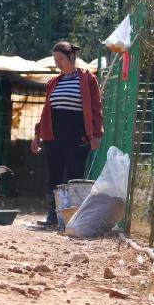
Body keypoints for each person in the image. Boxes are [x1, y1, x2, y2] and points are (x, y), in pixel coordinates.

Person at [33, 40, 103, 228]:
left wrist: (96, 134)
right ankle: (53, 216)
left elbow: (96, 108)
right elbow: (46, 111)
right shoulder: (53, 83)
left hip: (77, 135)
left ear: (72, 57)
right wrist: (37, 134)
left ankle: (73, 217)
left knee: (74, 174)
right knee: (54, 174)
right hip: (53, 136)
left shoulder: (88, 79)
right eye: (55, 59)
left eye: (61, 59)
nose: (58, 63)